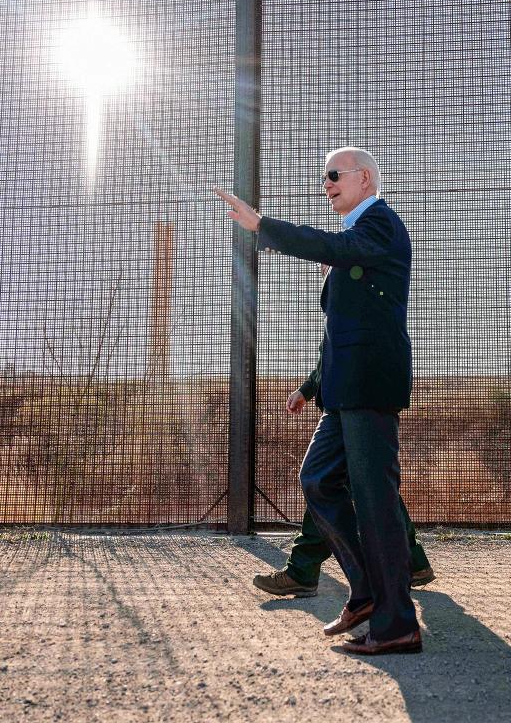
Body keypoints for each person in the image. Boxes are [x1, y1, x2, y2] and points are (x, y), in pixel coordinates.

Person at [216, 146, 422, 655]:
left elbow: (333, 248)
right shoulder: (360, 236)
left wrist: (265, 226)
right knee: (317, 479)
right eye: (323, 176)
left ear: (366, 179)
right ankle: (368, 592)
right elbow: (347, 328)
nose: (325, 183)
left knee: (375, 502)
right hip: (342, 390)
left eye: (334, 174)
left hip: (369, 387)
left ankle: (396, 623)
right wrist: (311, 386)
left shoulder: (379, 223)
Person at [253, 359, 435, 598]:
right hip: (348, 402)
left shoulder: (367, 321)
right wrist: (307, 389)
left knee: (327, 480)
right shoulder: (340, 322)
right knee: (345, 482)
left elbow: (370, 344)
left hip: (359, 400)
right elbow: (332, 350)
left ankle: (305, 571)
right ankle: (411, 563)